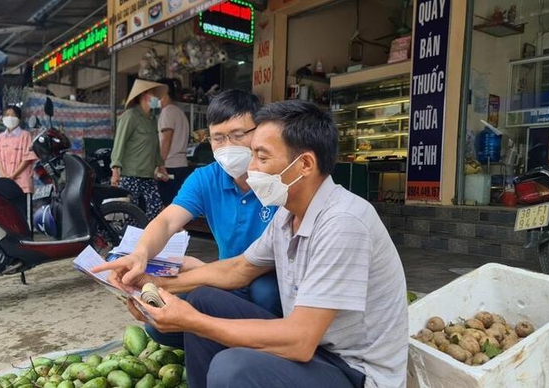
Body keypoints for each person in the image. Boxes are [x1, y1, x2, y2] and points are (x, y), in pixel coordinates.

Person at [96, 100, 408, 388]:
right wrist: (153, 282)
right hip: (319, 350)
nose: (252, 168)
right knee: (204, 298)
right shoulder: (288, 214)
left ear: (305, 165)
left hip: (354, 371)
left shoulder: (343, 222)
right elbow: (240, 268)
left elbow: (300, 341)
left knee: (232, 368)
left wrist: (193, 321)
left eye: (261, 157)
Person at [95, 89, 282, 347]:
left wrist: (196, 273)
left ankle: (266, 349)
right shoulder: (207, 178)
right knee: (160, 326)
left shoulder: (280, 179)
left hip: (268, 279)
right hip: (226, 277)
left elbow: (252, 267)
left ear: (259, 131)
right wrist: (141, 254)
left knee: (265, 290)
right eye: (218, 138)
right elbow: (167, 221)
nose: (227, 146)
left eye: (238, 135)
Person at [110, 80, 169, 221]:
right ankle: (128, 239)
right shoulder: (130, 116)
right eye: (154, 95)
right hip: (130, 173)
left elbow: (154, 146)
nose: (157, 98)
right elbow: (119, 142)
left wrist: (161, 166)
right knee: (130, 211)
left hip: (147, 173)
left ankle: (144, 233)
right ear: (145, 96)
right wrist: (115, 169)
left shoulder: (152, 119)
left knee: (155, 205)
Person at [156, 78, 191, 206]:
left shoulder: (168, 112)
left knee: (166, 206)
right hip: (181, 165)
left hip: (169, 166)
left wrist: (160, 163)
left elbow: (166, 140)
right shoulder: (179, 112)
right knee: (176, 205)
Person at [0, 106, 38, 193]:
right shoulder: (0, 138)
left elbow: (27, 159)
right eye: (7, 115)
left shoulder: (25, 135)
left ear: (19, 118)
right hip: (3, 182)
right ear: (2, 118)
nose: (10, 118)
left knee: (22, 205)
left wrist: (13, 175)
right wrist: (4, 176)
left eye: (13, 115)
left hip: (23, 182)